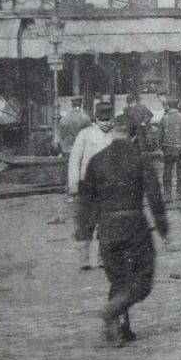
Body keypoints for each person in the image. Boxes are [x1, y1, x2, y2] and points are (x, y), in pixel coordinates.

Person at [75, 113, 168, 347]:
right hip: (134, 225)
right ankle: (110, 312)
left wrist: (84, 234)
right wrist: (163, 228)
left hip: (107, 228)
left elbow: (86, 201)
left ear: (113, 132)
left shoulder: (96, 161)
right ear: (135, 135)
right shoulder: (140, 159)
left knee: (118, 279)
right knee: (142, 282)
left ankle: (120, 329)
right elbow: (155, 197)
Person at [66, 101, 118, 268]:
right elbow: (74, 160)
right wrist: (73, 185)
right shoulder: (85, 134)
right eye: (102, 120)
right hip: (88, 186)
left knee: (107, 223)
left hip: (110, 187)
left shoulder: (116, 135)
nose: (105, 124)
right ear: (96, 119)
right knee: (86, 222)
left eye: (108, 120)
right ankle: (84, 259)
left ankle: (104, 257)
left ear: (113, 119)